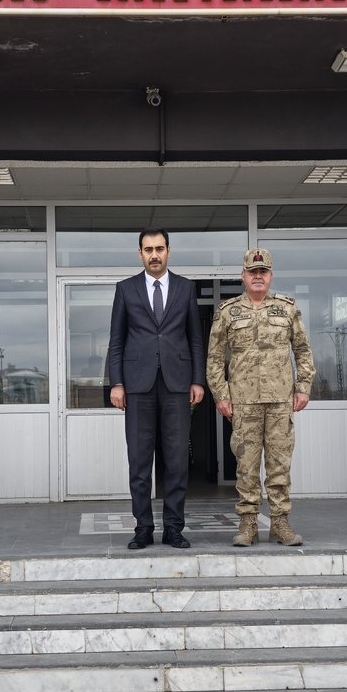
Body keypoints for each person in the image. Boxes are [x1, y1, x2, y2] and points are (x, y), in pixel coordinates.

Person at [206, 248, 315, 547]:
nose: (258, 276)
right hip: (243, 403)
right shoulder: (228, 312)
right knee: (246, 467)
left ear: (270, 276)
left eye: (263, 272)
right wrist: (221, 395)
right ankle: (248, 524)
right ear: (243, 276)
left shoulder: (287, 309)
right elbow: (214, 358)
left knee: (280, 465)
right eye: (252, 272)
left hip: (280, 401)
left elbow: (303, 351)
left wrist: (303, 387)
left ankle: (280, 523)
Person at [107, 229, 206, 550]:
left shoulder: (185, 288)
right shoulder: (126, 289)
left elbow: (194, 338)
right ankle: (143, 528)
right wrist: (117, 383)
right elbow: (117, 340)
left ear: (168, 252)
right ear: (140, 253)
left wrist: (197, 380)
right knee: (139, 460)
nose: (154, 254)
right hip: (137, 386)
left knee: (176, 461)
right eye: (148, 249)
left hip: (177, 384)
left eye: (159, 248)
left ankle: (174, 528)